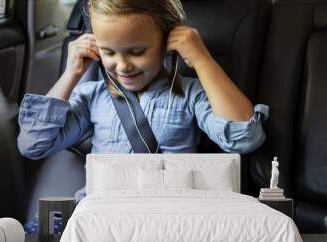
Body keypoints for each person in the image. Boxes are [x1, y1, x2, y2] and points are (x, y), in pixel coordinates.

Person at [17, 0, 269, 201]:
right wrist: (71, 73)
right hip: (103, 216)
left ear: (168, 42)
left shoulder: (189, 94)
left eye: (137, 52)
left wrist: (202, 60)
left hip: (171, 215)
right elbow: (34, 144)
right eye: (108, 51)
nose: (123, 65)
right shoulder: (92, 97)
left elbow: (244, 139)